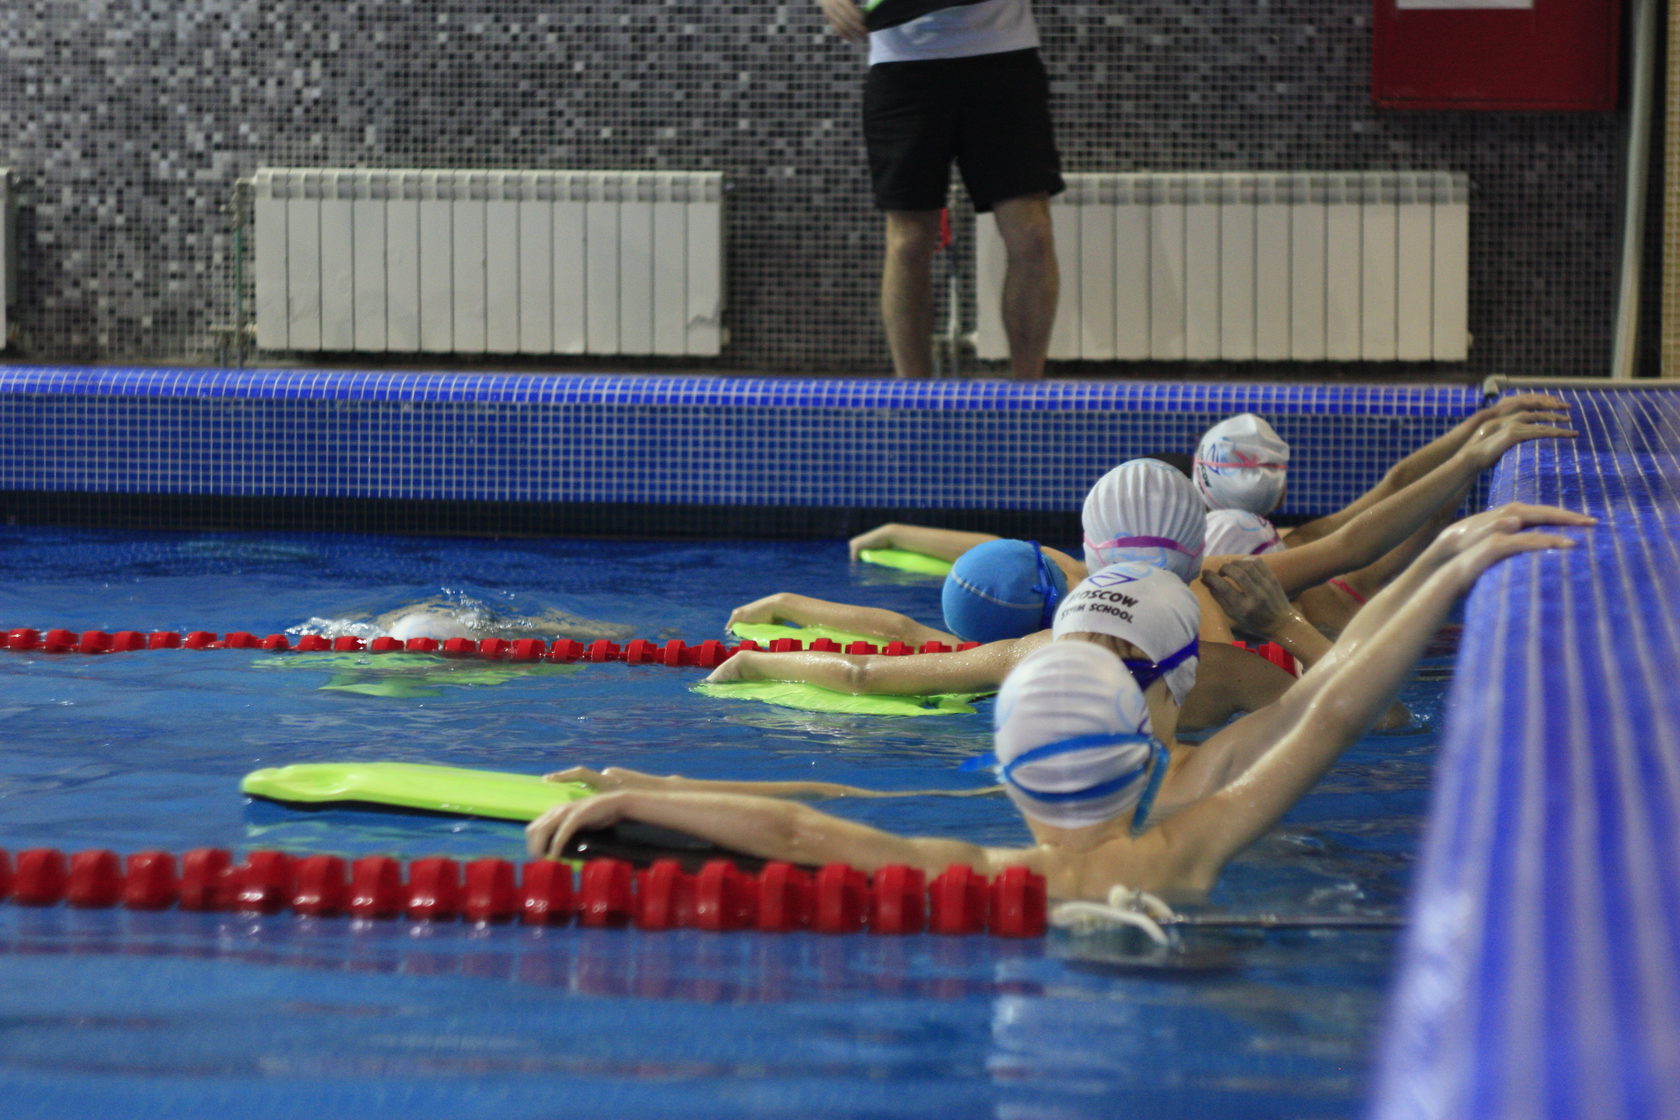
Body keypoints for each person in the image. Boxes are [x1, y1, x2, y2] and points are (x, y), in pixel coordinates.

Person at [527, 503, 1594, 902]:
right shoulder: (1183, 844)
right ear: (1138, 751)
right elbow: (1334, 712)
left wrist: (648, 793)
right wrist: (1450, 562)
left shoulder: (987, 876)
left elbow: (802, 830)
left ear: (1003, 770)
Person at [820, 0, 1063, 380]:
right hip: (902, 65)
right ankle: (914, 405)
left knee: (1032, 237)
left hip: (1004, 56)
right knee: (909, 244)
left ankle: (1026, 403)